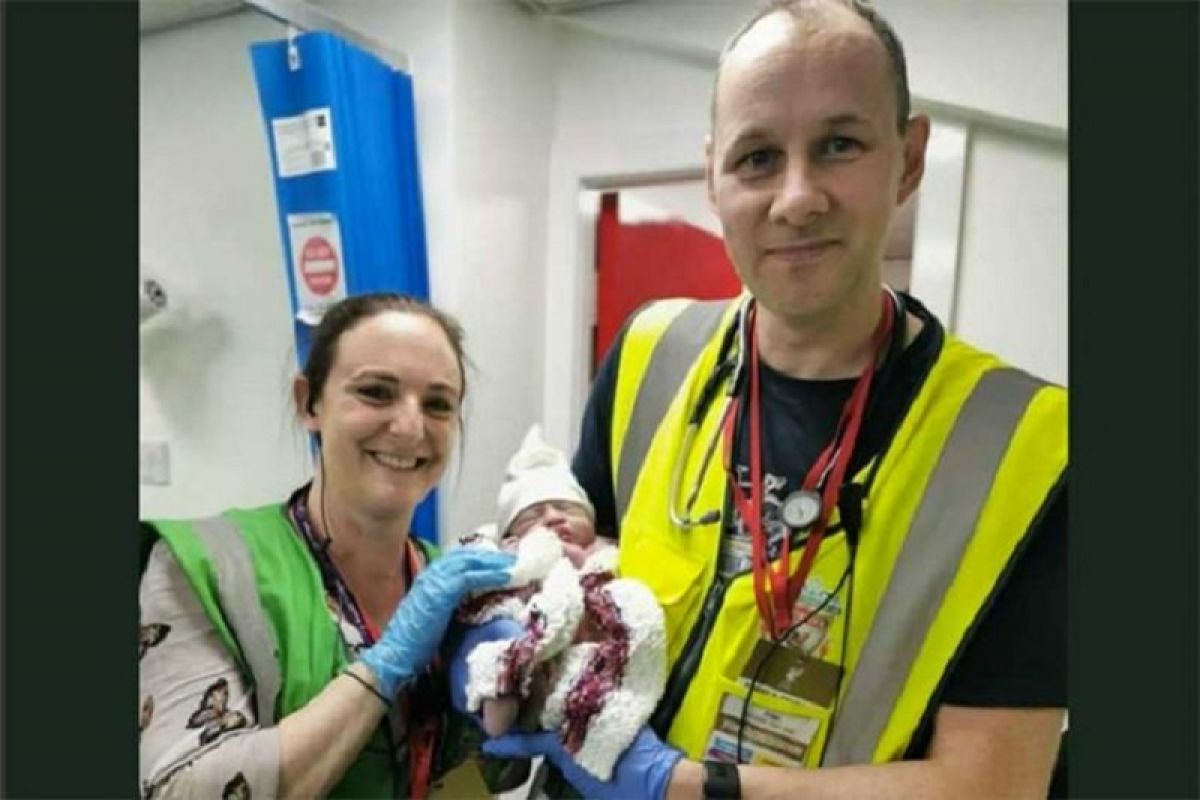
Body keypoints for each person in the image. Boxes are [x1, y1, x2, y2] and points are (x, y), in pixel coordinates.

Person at [482, 2, 1067, 799]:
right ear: (714, 178)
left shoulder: (1024, 445)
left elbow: (994, 785)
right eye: (758, 157)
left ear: (909, 158)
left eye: (838, 145)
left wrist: (682, 788)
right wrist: (500, 644)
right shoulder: (651, 356)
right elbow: (582, 594)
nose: (797, 197)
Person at [138, 293, 523, 799]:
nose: (410, 428)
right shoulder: (209, 567)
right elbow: (182, 790)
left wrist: (512, 730)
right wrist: (383, 667)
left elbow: (469, 784)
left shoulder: (455, 588)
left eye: (437, 404)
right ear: (309, 403)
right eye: (376, 392)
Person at [449, 424, 667, 787]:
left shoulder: (610, 555)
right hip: (532, 633)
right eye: (532, 515)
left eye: (566, 507)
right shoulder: (506, 557)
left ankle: (591, 713)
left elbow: (626, 597)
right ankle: (505, 686)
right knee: (499, 648)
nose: (552, 517)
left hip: (588, 648)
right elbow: (491, 596)